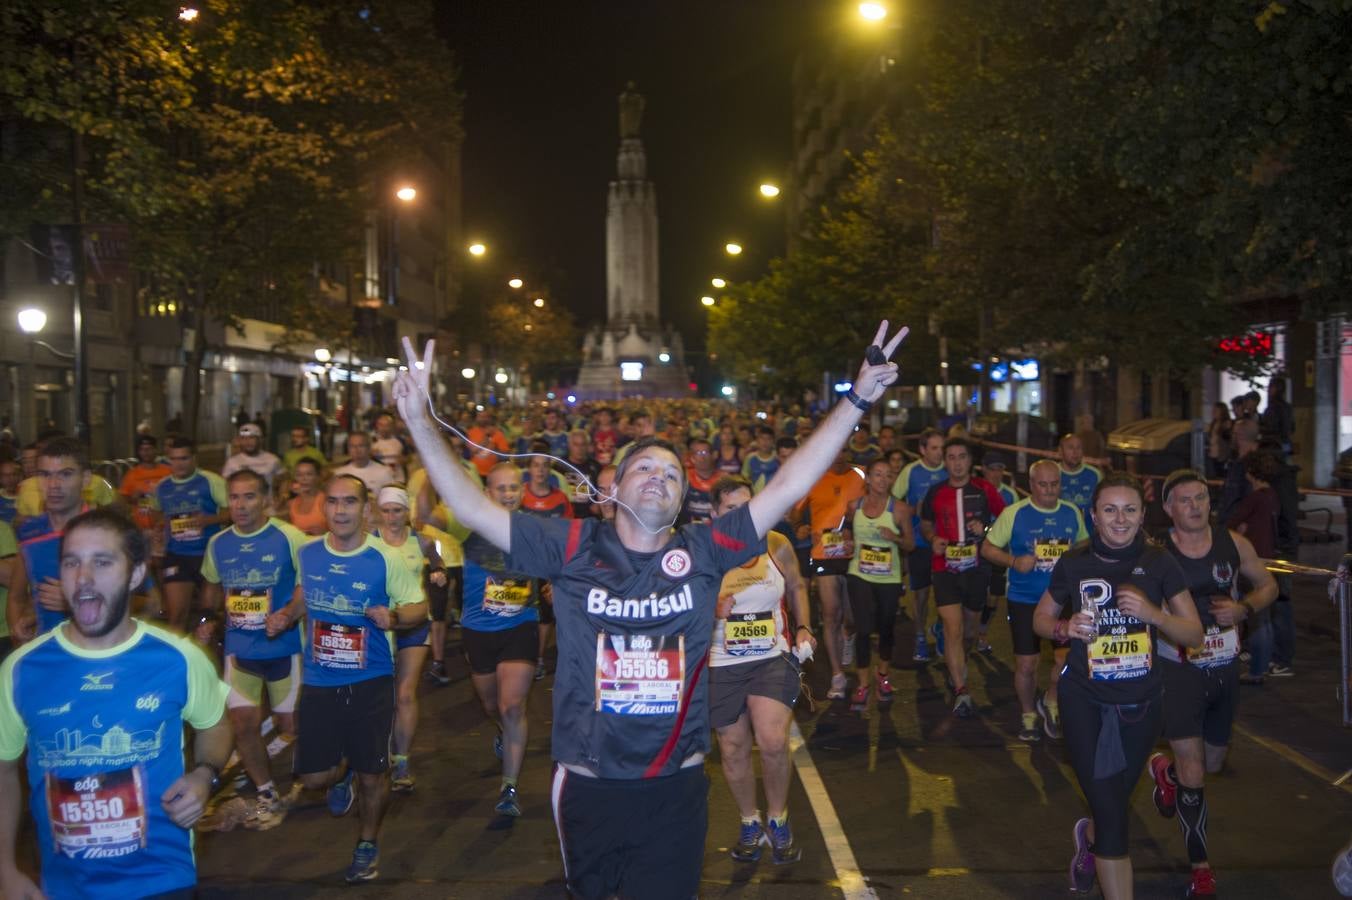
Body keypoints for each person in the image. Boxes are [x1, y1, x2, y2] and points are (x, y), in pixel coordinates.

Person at [394, 322, 905, 900]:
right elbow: (470, 506)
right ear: (614, 489)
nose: (657, 477)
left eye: (671, 473)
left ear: (684, 499)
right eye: (644, 467)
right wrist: (418, 420)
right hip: (590, 787)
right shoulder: (572, 546)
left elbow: (788, 487)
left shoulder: (706, 551)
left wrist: (856, 399)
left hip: (677, 786)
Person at [0, 508, 232, 900]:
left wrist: (204, 775)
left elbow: (216, 724)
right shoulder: (21, 669)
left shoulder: (178, 658)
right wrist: (4, 869)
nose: (84, 578)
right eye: (72, 562)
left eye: (102, 562)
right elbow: (3, 772)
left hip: (163, 880)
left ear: (136, 574)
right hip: (64, 888)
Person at [1033, 472, 1202, 899]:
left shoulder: (1161, 562)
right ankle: (1103, 851)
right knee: (1113, 816)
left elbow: (1193, 633)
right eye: (1110, 509)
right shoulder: (1075, 561)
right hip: (1084, 701)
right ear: (1093, 515)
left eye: (1129, 510)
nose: (1120, 519)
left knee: (1112, 804)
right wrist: (1064, 626)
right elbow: (1040, 619)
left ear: (1143, 515)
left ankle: (1088, 843)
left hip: (1142, 706)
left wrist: (1155, 614)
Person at [267, 474, 425, 883]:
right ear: (325, 508)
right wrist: (287, 614)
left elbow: (418, 607)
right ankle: (345, 772)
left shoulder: (385, 558)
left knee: (375, 772)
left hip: (371, 679)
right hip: (320, 680)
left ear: (365, 509)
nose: (340, 510)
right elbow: (303, 595)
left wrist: (395, 617)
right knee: (315, 777)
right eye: (333, 502)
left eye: (349, 502)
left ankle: (367, 842)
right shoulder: (308, 552)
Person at [1148, 469, 1278, 899]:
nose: (1194, 507)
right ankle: (1200, 867)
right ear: (1168, 509)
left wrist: (1243, 608)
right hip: (1178, 668)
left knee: (1215, 762)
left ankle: (1162, 771)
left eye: (1200, 498)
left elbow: (1268, 585)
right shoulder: (1156, 553)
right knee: (1195, 768)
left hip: (1225, 668)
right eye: (1184, 500)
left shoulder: (1232, 544)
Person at [708, 475, 814, 864]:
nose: (741, 515)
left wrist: (803, 626)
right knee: (733, 747)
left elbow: (797, 584)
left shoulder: (775, 543)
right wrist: (710, 607)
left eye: (747, 506)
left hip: (771, 655)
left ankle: (778, 818)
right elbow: (679, 600)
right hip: (721, 659)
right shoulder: (704, 551)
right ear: (715, 513)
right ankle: (749, 822)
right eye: (731, 508)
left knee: (771, 740)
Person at [200, 469, 308, 830]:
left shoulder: (289, 537)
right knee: (244, 725)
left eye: (249, 497)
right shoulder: (218, 543)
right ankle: (266, 791)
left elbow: (306, 585)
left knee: (291, 725)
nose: (241, 505)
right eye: (234, 497)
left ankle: (332, 767)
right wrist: (207, 621)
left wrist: (289, 614)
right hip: (240, 650)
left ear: (265, 500)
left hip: (284, 648)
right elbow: (213, 589)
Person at [451, 463, 541, 817]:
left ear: (522, 490)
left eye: (513, 488)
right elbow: (425, 515)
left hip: (521, 623)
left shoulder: (535, 528)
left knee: (512, 704)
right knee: (492, 706)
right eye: (500, 488)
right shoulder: (470, 526)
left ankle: (509, 787)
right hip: (478, 630)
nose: (507, 494)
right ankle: (504, 731)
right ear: (488, 493)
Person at [982, 459, 1086, 741]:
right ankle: (1028, 714)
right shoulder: (1014, 513)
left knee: (1068, 661)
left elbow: (1082, 547)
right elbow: (987, 548)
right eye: (1043, 484)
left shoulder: (1072, 512)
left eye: (1055, 484)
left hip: (1062, 600)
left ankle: (1050, 700)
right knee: (1027, 664)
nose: (1050, 490)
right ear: (1031, 485)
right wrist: (1014, 561)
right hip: (1024, 599)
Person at [919, 437, 1005, 717]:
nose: (956, 463)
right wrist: (933, 539)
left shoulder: (984, 490)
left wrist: (987, 530)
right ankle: (961, 690)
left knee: (968, 632)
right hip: (944, 568)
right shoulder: (935, 492)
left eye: (962, 457)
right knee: (953, 629)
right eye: (951, 457)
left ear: (970, 461)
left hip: (977, 568)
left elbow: (1004, 521)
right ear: (945, 462)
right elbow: (926, 524)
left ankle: (960, 667)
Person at [371, 484, 443, 792]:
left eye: (397, 510)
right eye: (386, 511)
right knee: (381, 695)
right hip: (379, 625)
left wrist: (439, 573)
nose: (391, 517)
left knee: (404, 693)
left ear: (407, 512)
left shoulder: (423, 540)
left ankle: (401, 759)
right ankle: (376, 753)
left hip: (413, 624)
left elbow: (437, 559)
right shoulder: (368, 542)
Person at [6, 438, 98, 641]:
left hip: (97, 655)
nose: (53, 485)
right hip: (47, 656)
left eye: (65, 474)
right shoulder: (29, 531)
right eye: (45, 475)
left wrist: (75, 603)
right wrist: (19, 637)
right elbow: (16, 598)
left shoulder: (109, 532)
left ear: (86, 479)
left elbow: (146, 604)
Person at [794, 446, 866, 699]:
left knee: (852, 617)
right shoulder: (814, 477)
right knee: (830, 614)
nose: (839, 456)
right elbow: (794, 512)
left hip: (854, 554)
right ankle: (837, 675)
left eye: (844, 451)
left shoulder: (861, 475)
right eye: (834, 451)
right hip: (824, 554)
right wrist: (802, 526)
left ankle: (849, 636)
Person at [845, 459, 911, 707]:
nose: (883, 480)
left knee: (886, 628)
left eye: (888, 475)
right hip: (859, 574)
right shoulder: (855, 506)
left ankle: (882, 674)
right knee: (863, 629)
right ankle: (862, 684)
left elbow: (910, 544)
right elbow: (847, 529)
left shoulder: (900, 509)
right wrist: (848, 541)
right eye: (878, 475)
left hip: (889, 577)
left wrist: (895, 537)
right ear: (868, 479)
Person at [152, 436, 229, 633]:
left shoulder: (211, 481)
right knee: (176, 615)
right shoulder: (162, 487)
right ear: (168, 460)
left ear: (194, 458)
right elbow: (157, 512)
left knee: (208, 615)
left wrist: (208, 520)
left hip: (208, 555)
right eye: (174, 459)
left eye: (184, 458)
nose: (179, 464)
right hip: (177, 554)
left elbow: (231, 512)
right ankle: (177, 660)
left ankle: (210, 655)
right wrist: (161, 526)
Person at [891, 428, 948, 661]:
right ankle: (920, 637)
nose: (939, 453)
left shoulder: (949, 469)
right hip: (920, 543)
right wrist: (913, 511)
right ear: (922, 449)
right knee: (921, 595)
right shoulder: (911, 471)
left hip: (946, 543)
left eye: (941, 448)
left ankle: (942, 630)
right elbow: (893, 501)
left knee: (946, 594)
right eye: (934, 448)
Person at [976, 452, 1019, 654]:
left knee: (993, 596)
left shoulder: (1010, 495)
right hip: (974, 549)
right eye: (992, 468)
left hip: (998, 552)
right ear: (983, 469)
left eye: (1000, 469)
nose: (996, 473)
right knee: (974, 594)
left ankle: (982, 632)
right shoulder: (976, 489)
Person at [119, 434, 170, 539]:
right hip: (142, 530)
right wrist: (133, 498)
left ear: (156, 450)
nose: (146, 452)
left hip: (166, 528)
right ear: (138, 452)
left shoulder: (168, 472)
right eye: (142, 449)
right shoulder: (131, 474)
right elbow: (123, 499)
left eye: (149, 449)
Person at [222, 423, 286, 493]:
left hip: (266, 503)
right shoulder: (231, 462)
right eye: (243, 438)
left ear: (260, 439)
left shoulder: (273, 459)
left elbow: (285, 479)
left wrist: (282, 497)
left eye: (251, 438)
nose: (247, 441)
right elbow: (224, 484)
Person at [334, 432, 395, 499]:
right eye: (352, 446)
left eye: (361, 446)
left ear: (369, 448)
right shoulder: (339, 474)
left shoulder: (385, 472)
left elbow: (392, 499)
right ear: (348, 449)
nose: (356, 450)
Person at [1058, 433, 1102, 524]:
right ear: (1060, 451)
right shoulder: (1052, 473)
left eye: (1079, 448)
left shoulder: (1095, 474)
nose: (1075, 452)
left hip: (1089, 531)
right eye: (1070, 447)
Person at [285, 457, 328, 536]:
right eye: (299, 475)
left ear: (318, 476)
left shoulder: (326, 501)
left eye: (309, 474)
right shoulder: (291, 503)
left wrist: (325, 533)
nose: (304, 479)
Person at [1206, 402, 1232, 479]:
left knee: (1221, 475)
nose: (1213, 412)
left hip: (1222, 455)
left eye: (1216, 410)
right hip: (1213, 454)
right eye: (1213, 410)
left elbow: (1228, 439)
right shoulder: (1213, 423)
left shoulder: (1226, 423)